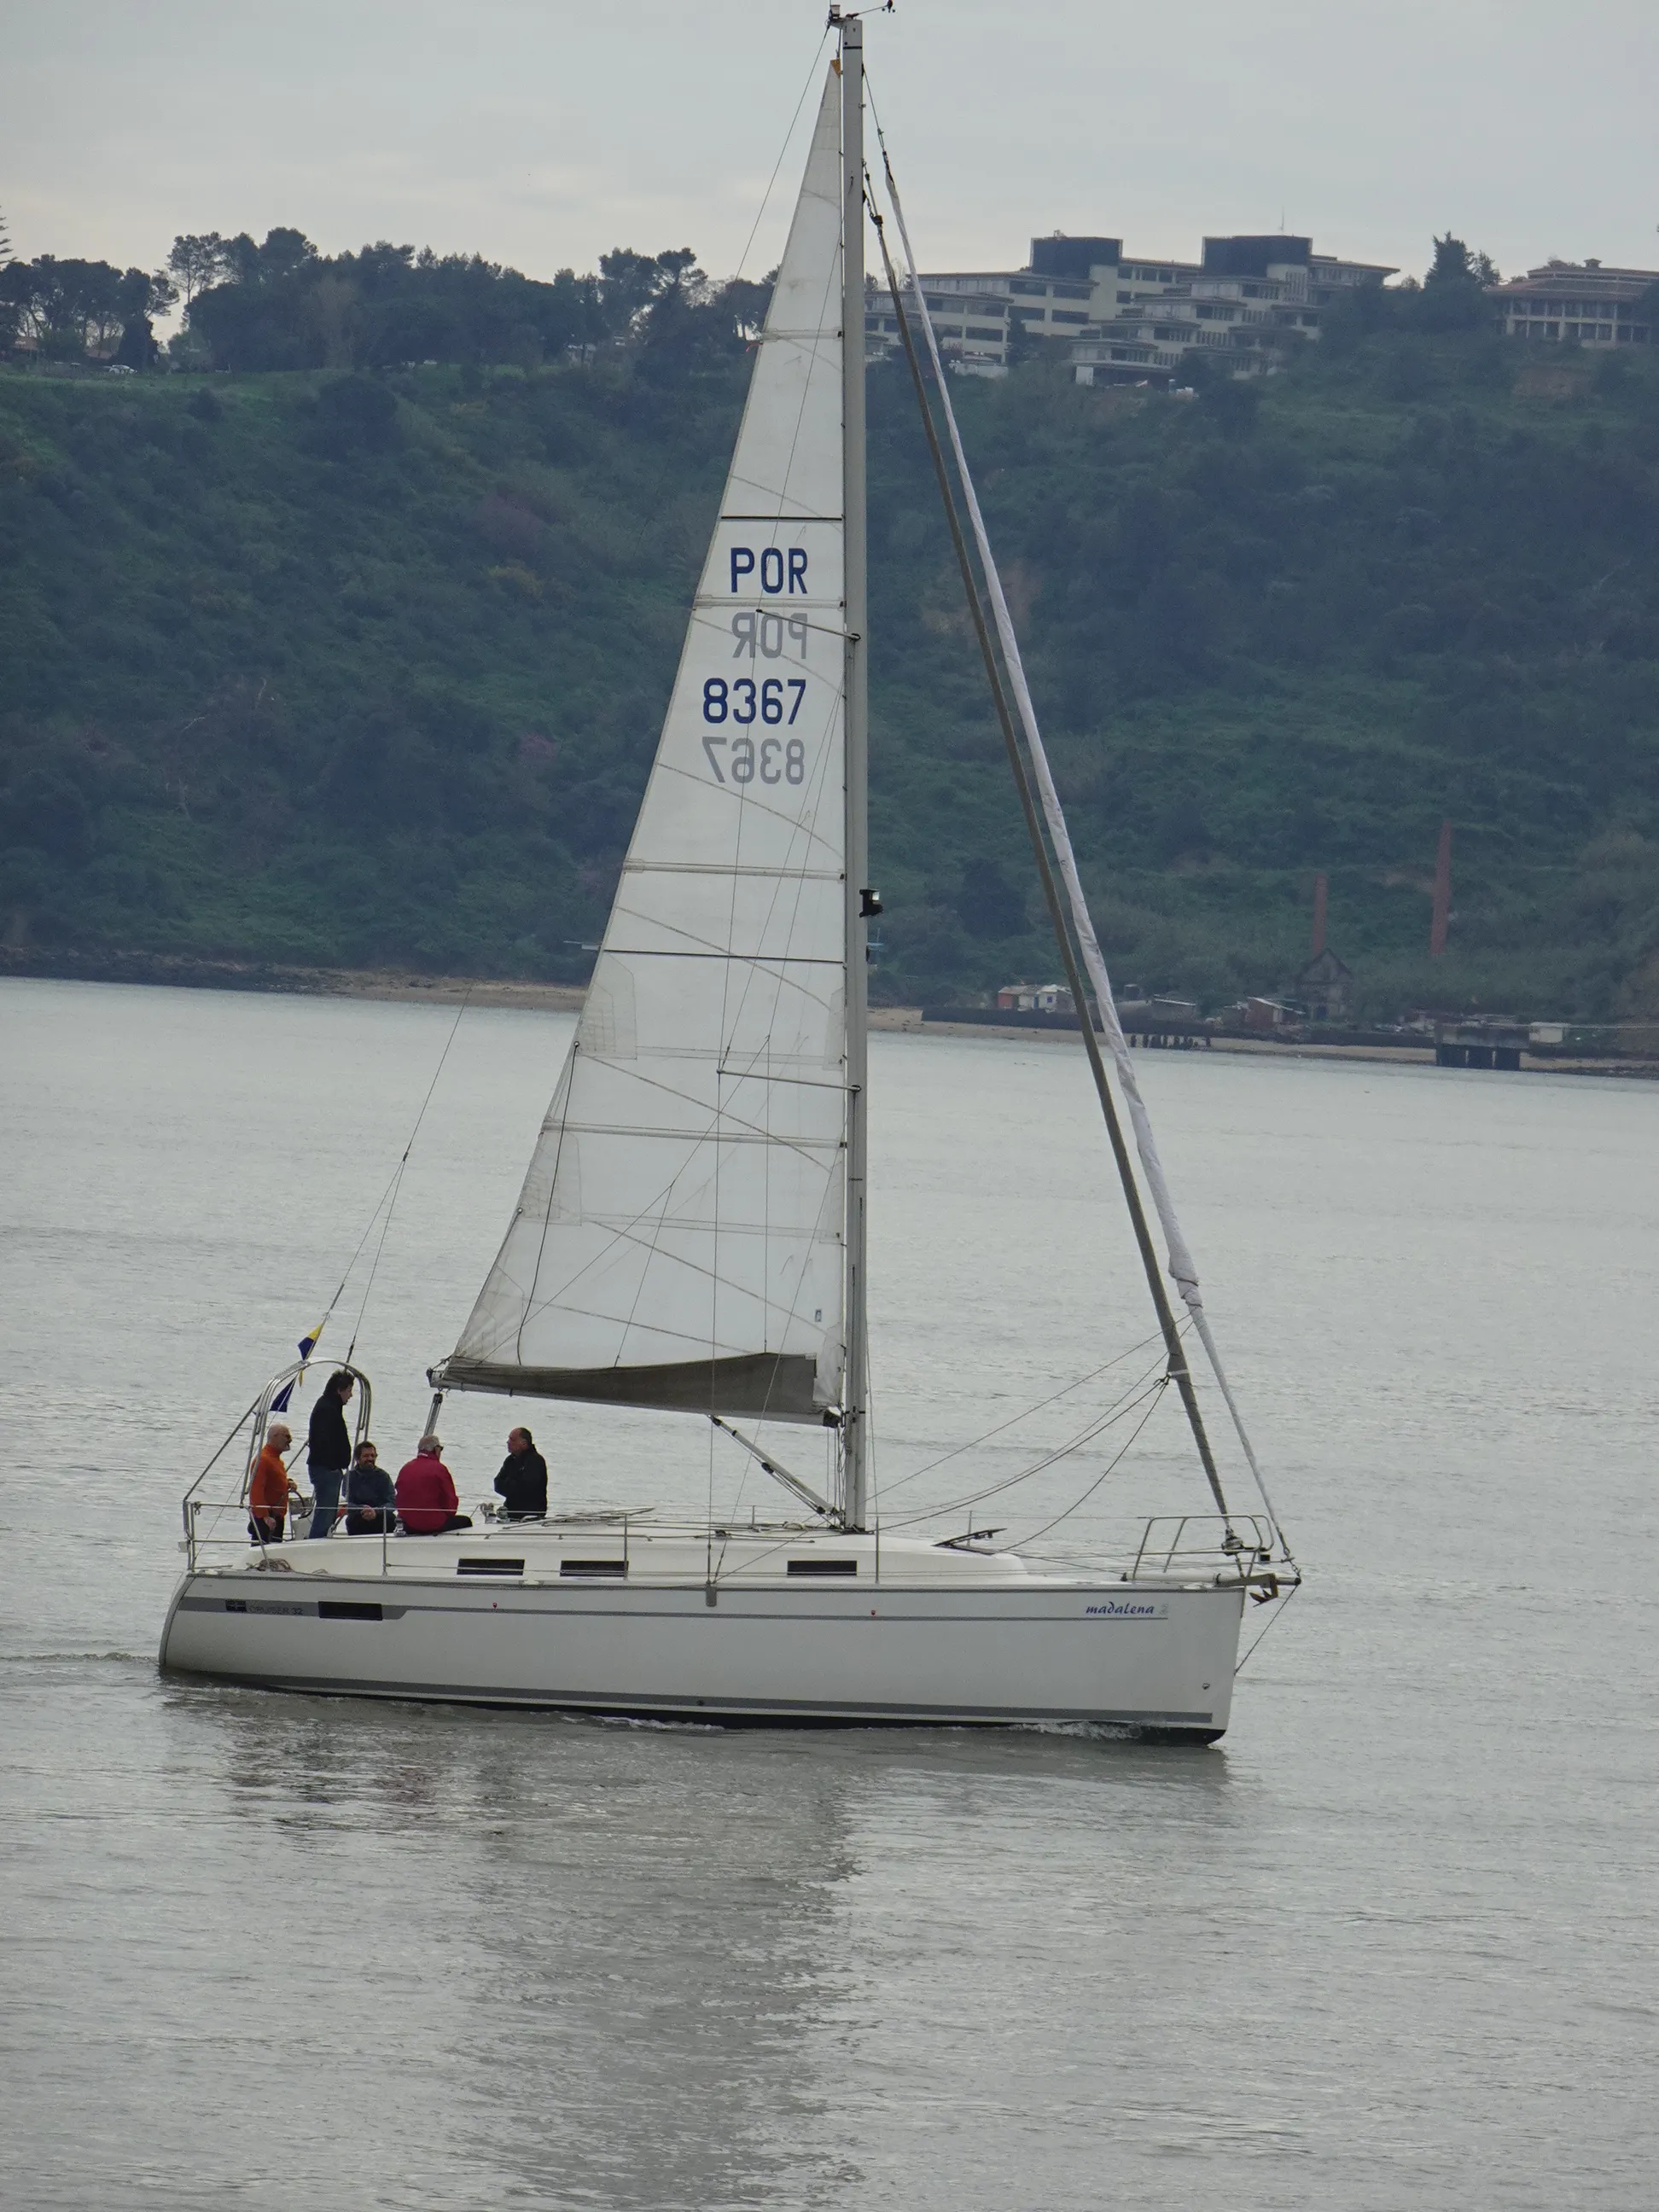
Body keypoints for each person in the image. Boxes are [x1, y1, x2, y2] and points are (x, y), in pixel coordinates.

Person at [306, 1371, 355, 1539]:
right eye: (349, 1390)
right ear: (339, 1390)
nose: (351, 1395)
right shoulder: (327, 1409)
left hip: (327, 1468)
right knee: (325, 1513)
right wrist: (334, 1464)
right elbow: (323, 1440)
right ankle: (315, 1543)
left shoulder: (330, 1406)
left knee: (328, 1512)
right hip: (326, 1469)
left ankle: (318, 1541)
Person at [395, 1435, 472, 1535]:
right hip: (433, 1524)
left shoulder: (405, 1468)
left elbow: (399, 1497)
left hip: (408, 1525)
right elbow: (450, 1504)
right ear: (436, 1449)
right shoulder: (439, 1469)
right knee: (466, 1522)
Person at [248, 1423, 299, 1545]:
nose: (290, 1440)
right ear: (274, 1437)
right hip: (267, 1518)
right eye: (286, 1436)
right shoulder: (263, 1460)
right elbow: (256, 1490)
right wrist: (264, 1516)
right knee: (262, 1551)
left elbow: (273, 1482)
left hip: (277, 1516)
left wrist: (287, 1483)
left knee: (274, 1551)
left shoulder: (276, 1460)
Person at [494, 1425, 548, 1521]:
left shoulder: (535, 1461)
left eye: (512, 1440)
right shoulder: (510, 1460)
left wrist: (510, 1484)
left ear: (524, 1443)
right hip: (511, 1512)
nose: (508, 1442)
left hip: (531, 1514)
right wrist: (512, 1484)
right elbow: (498, 1483)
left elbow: (527, 1488)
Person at [343, 1441, 395, 1535]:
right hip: (358, 1515)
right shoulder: (350, 1476)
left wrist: (375, 1511)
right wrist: (362, 1509)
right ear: (357, 1459)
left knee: (391, 1519)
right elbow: (346, 1503)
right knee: (352, 1520)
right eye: (366, 1456)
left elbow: (392, 1502)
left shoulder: (383, 1476)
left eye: (373, 1456)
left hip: (380, 1515)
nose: (370, 1459)